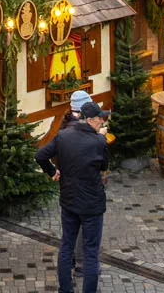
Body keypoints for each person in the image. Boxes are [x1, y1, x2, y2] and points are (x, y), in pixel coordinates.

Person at [36, 100, 109, 293]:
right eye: (100, 119)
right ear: (90, 120)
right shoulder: (99, 141)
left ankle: (65, 290)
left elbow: (40, 155)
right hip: (92, 206)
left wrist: (52, 171)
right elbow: (104, 166)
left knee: (67, 246)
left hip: (69, 201)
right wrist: (99, 139)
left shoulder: (63, 136)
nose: (102, 122)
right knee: (91, 252)